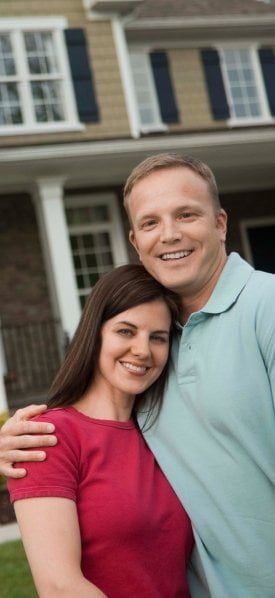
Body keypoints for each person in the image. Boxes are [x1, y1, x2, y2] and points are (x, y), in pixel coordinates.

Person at [1, 153, 275, 597]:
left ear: (221, 224)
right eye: (151, 222)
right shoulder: (157, 366)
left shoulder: (267, 307)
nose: (169, 234)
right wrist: (15, 444)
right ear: (135, 240)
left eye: (186, 214)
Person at [7, 264, 194, 597]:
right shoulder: (47, 437)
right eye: (126, 331)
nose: (142, 350)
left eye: (158, 338)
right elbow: (59, 586)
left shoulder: (166, 434)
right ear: (95, 333)